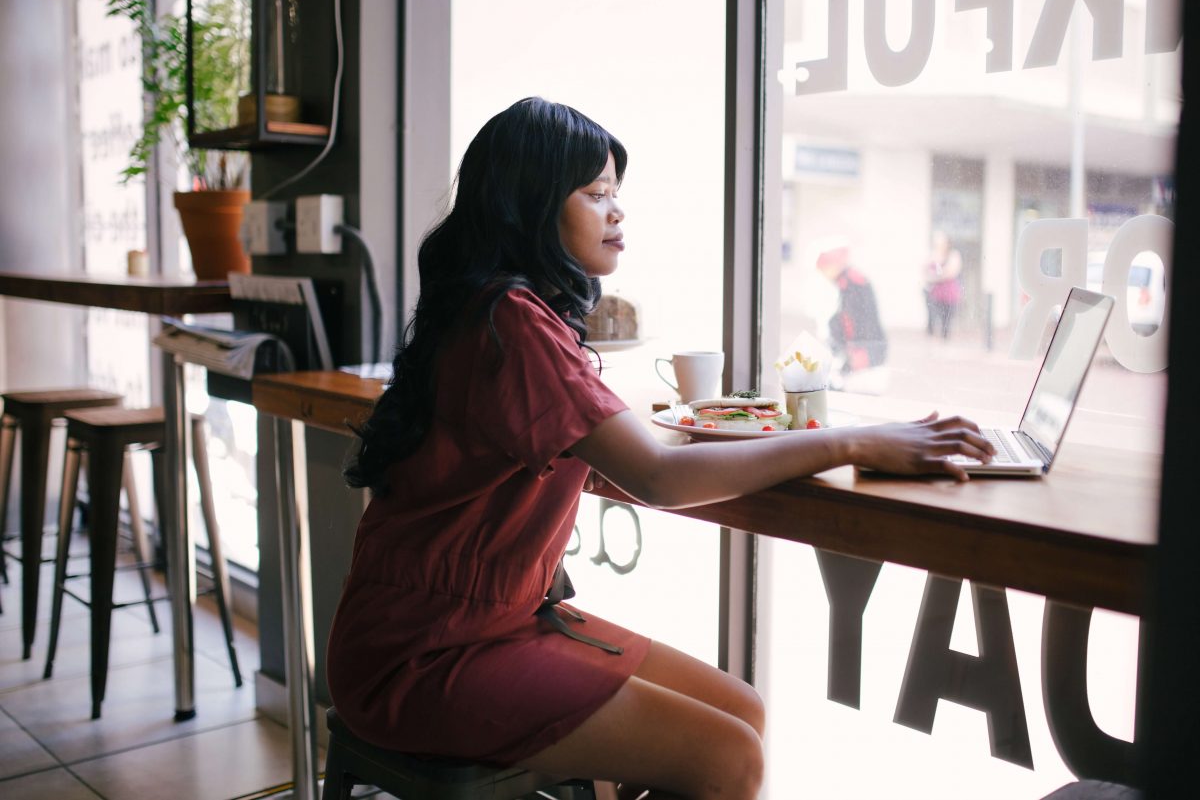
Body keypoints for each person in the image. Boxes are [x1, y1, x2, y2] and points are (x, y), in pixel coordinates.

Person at [327, 97, 994, 800]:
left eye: (618, 193)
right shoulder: (512, 322)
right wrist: (853, 440)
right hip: (428, 649)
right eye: (597, 193)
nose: (618, 212)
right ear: (529, 203)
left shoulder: (503, 309)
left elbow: (599, 449)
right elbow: (659, 475)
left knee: (745, 713)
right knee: (728, 754)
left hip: (476, 618)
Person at [816, 242, 888, 375]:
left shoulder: (851, 282)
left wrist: (855, 350)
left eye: (825, 268)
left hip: (866, 345)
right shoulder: (847, 280)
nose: (824, 274)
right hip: (863, 344)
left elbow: (857, 318)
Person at [923, 230, 964, 339]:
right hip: (935, 293)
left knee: (946, 322)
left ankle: (944, 342)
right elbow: (924, 270)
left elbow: (951, 272)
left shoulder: (953, 255)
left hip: (949, 293)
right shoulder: (933, 254)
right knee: (933, 318)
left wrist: (935, 276)